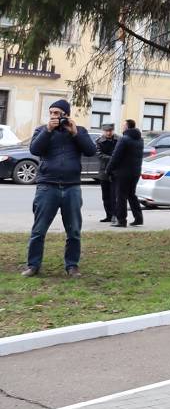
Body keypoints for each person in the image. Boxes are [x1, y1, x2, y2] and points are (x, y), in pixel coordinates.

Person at [21, 99, 97, 277]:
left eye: (57, 113)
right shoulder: (42, 130)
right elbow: (35, 149)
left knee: (74, 231)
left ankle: (72, 266)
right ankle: (33, 265)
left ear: (65, 114)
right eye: (51, 113)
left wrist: (75, 133)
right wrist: (48, 130)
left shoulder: (78, 131)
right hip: (47, 186)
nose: (54, 116)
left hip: (72, 187)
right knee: (39, 229)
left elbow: (90, 150)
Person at [107, 119, 144, 227]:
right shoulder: (140, 139)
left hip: (123, 173)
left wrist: (108, 170)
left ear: (127, 127)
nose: (122, 127)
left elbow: (115, 157)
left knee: (121, 196)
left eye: (123, 125)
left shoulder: (124, 139)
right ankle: (139, 218)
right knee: (131, 195)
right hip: (135, 172)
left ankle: (122, 220)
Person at [95, 124, 117, 223]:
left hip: (116, 171)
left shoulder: (119, 140)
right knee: (106, 196)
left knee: (114, 195)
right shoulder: (99, 141)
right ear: (103, 131)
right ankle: (108, 215)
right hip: (104, 171)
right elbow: (99, 155)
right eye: (106, 131)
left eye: (110, 130)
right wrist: (112, 158)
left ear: (113, 130)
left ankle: (115, 215)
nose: (108, 133)